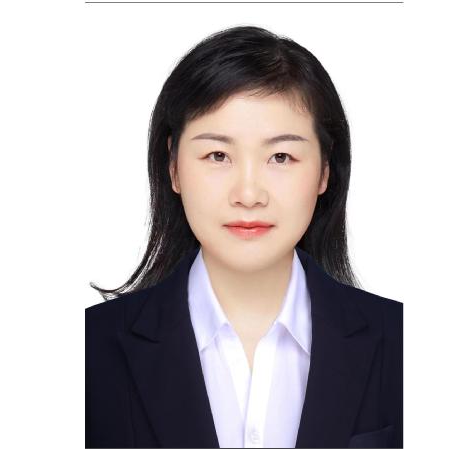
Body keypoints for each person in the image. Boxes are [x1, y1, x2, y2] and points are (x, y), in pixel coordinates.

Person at [86, 25, 402, 448]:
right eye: (218, 155)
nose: (249, 194)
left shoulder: (402, 341)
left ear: (325, 171)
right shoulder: (89, 349)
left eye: (281, 157)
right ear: (174, 168)